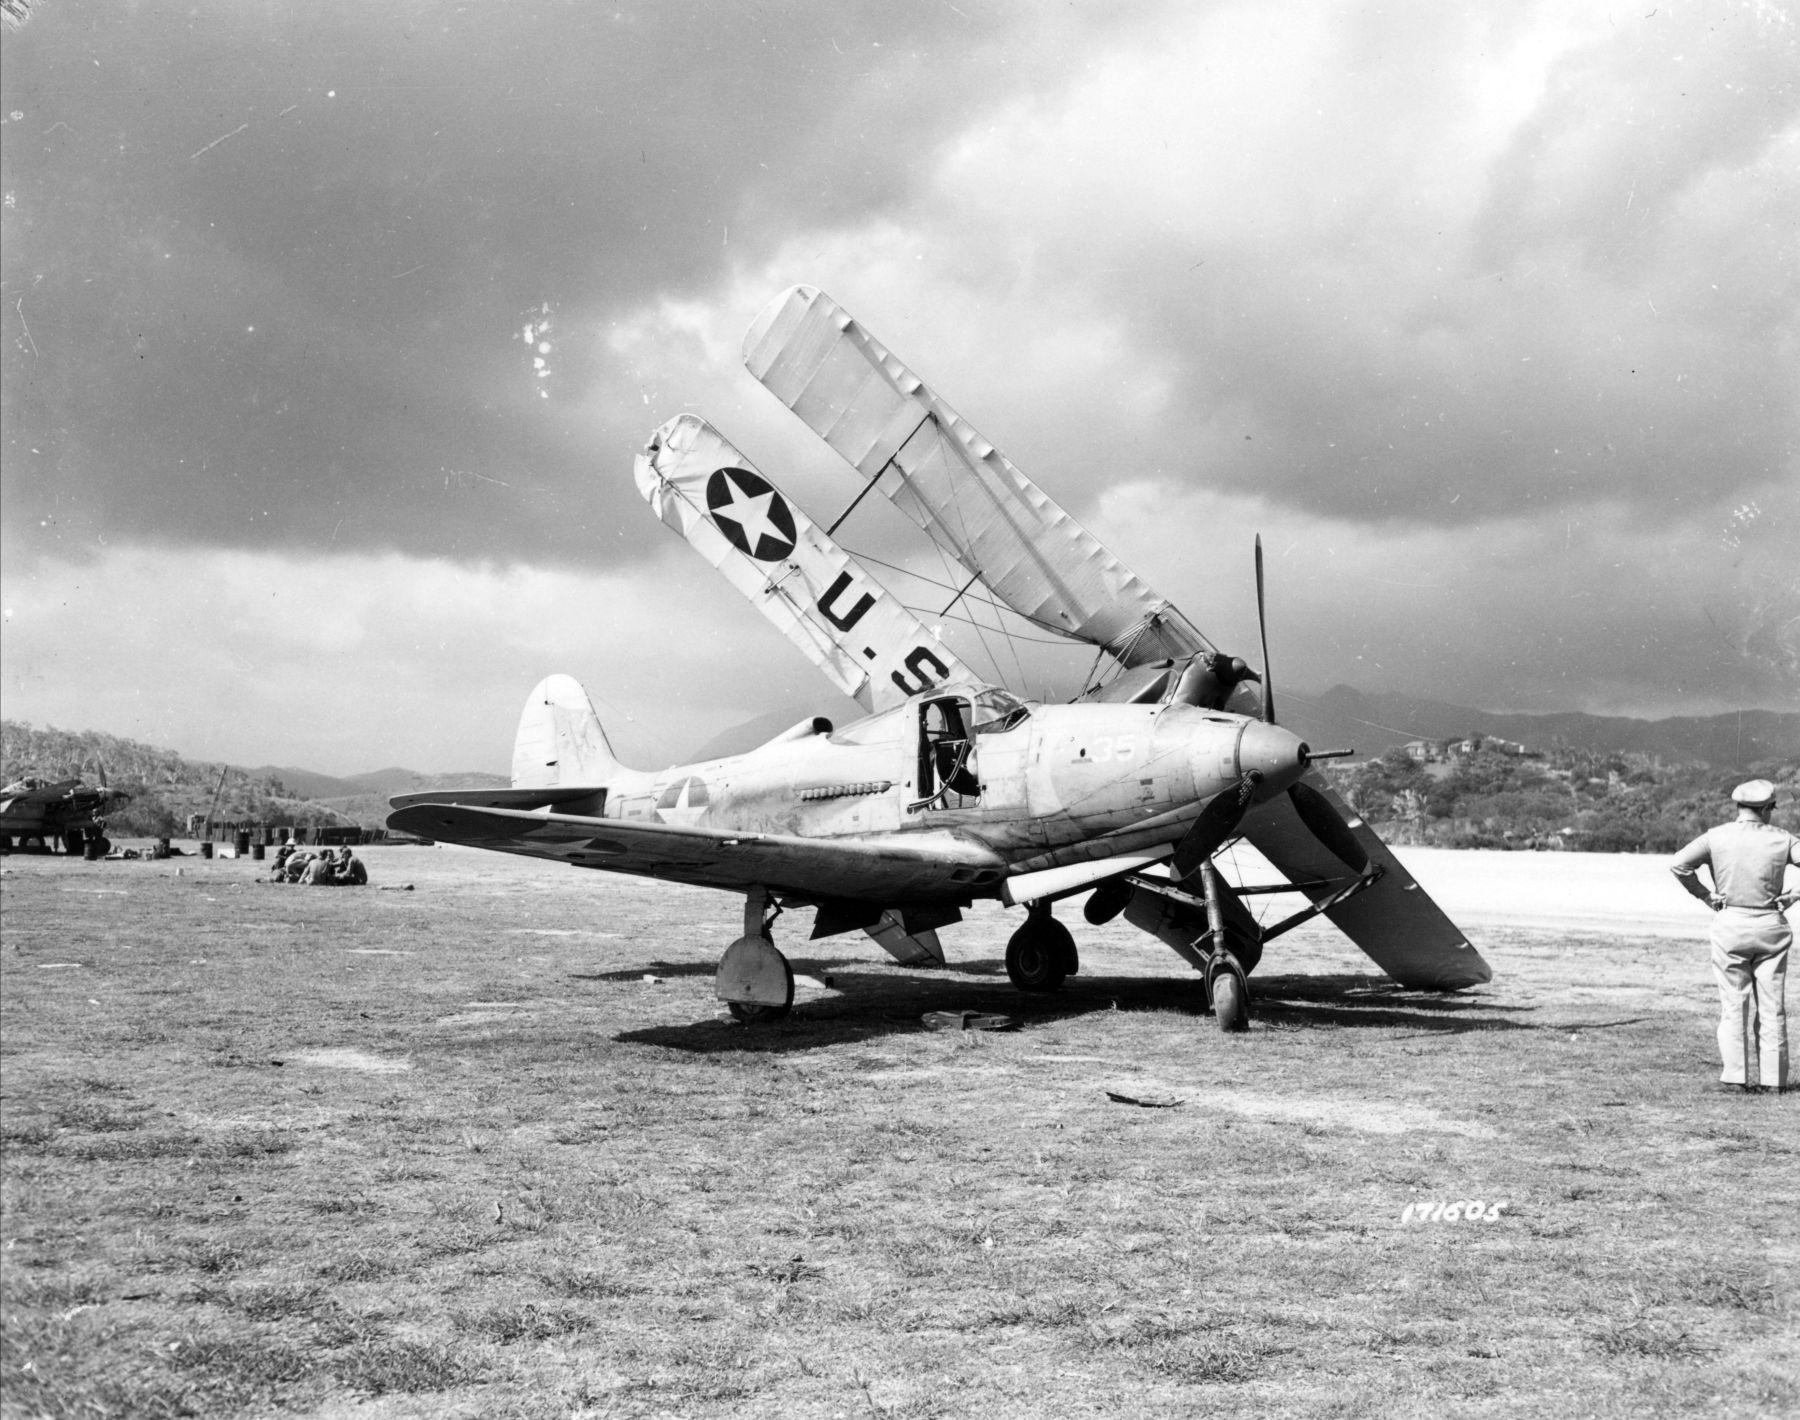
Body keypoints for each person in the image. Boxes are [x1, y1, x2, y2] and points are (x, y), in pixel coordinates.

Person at [1670, 779, 1799, 1093]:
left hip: (1731, 923)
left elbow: (1679, 864)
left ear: (1738, 807)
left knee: (1733, 1004)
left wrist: (1705, 895)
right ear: (1767, 808)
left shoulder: (1716, 836)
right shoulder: (1783, 838)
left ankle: (1735, 1077)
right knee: (1772, 1007)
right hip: (1771, 923)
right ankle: (1773, 1081)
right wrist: (1794, 895)